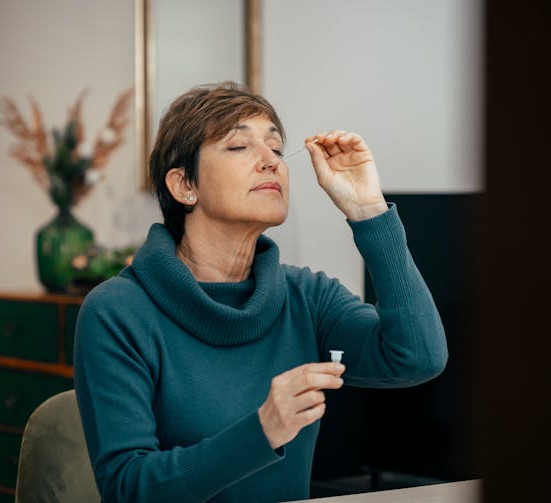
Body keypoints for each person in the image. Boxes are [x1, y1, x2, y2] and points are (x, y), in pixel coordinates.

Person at [74, 81, 448, 503]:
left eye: (275, 147)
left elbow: (417, 357)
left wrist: (369, 211)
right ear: (183, 186)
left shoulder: (306, 296)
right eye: (239, 147)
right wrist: (263, 431)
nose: (270, 161)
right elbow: (127, 489)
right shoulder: (116, 312)